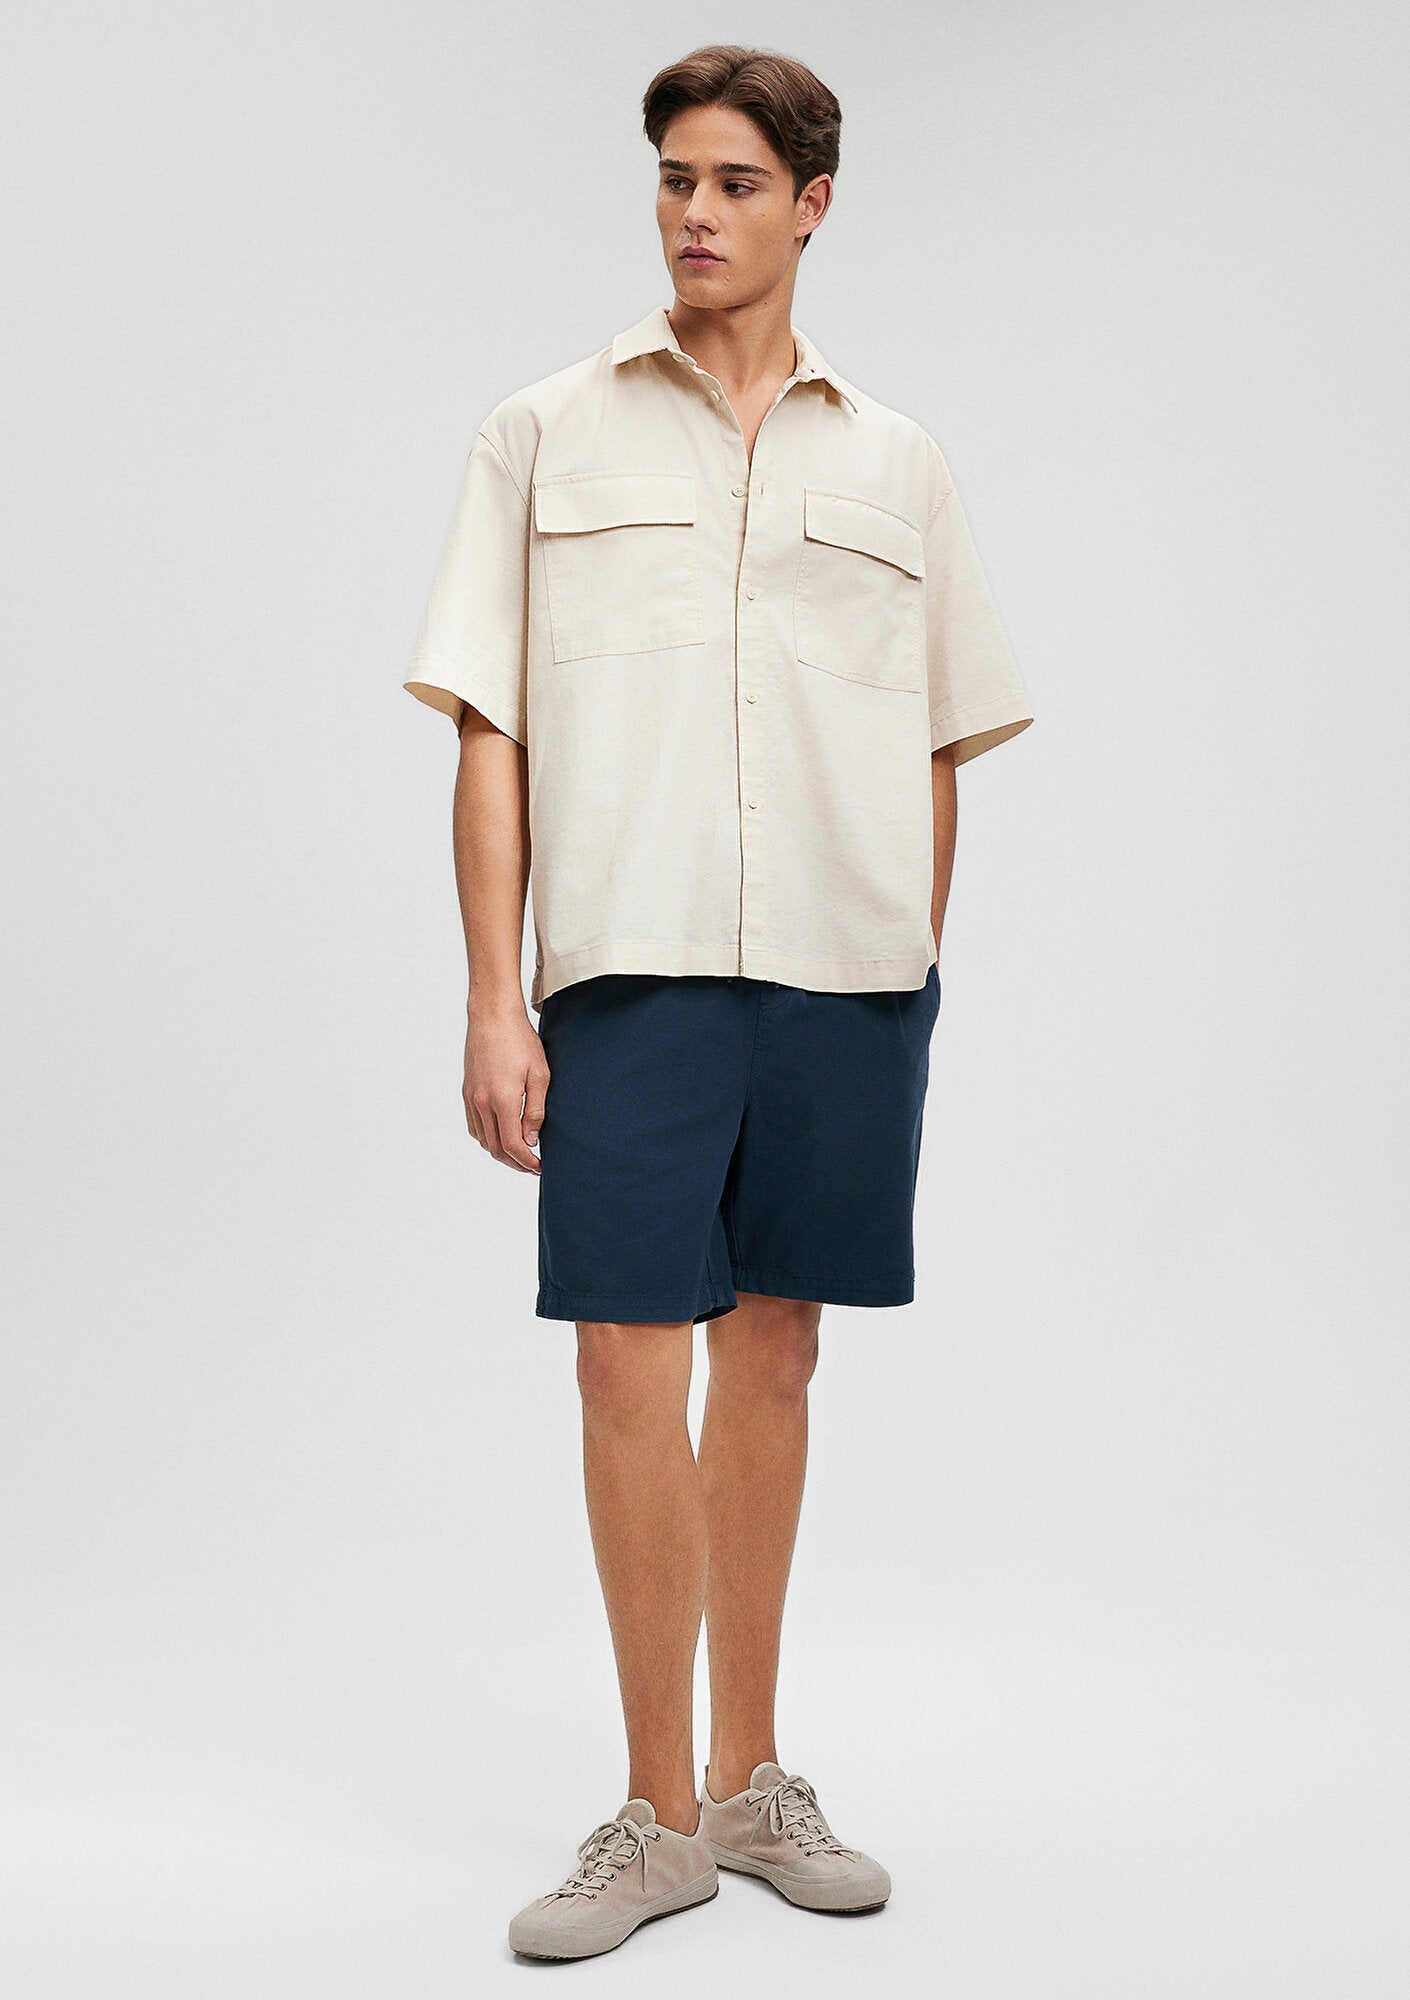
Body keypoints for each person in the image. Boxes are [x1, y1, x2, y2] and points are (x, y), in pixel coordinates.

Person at [402, 43, 1033, 1962]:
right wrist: (493, 1001)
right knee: (623, 1360)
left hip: (844, 987)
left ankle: (751, 1781)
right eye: (675, 178)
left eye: (736, 182)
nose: (694, 212)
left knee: (773, 1361)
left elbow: (939, 737)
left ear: (811, 205)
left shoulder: (895, 462)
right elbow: (489, 728)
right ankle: (654, 1811)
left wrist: (908, 969)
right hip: (632, 971)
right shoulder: (544, 432)